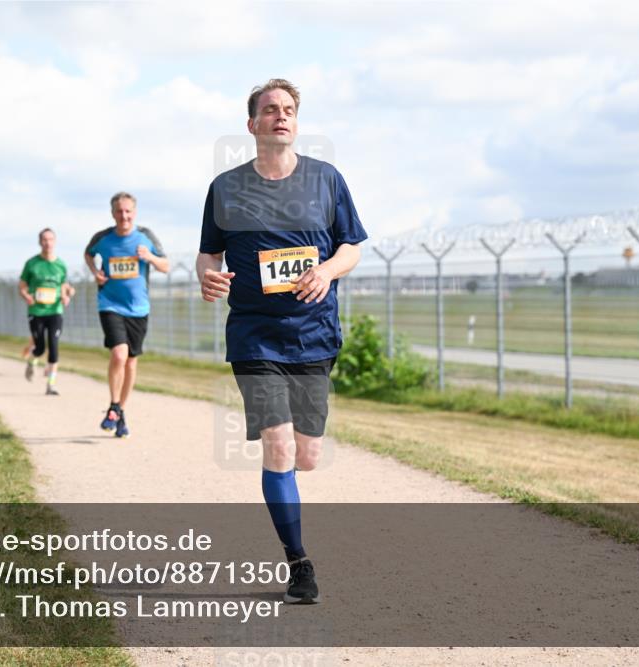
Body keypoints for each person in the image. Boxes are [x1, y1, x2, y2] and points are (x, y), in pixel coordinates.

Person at [196, 79, 367, 604]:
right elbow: (209, 255)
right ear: (252, 125)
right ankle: (300, 565)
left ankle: (289, 496)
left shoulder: (326, 179)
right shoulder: (226, 188)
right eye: (270, 110)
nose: (281, 117)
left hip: (314, 333)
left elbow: (352, 247)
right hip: (253, 335)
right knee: (279, 446)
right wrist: (207, 277)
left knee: (308, 456)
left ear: (297, 121)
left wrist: (327, 272)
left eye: (289, 110)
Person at [84, 192, 169, 438]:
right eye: (119, 211)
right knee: (119, 354)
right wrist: (95, 272)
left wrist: (150, 257)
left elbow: (166, 266)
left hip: (139, 308)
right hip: (109, 303)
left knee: (131, 360)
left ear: (134, 212)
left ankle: (120, 410)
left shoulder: (146, 236)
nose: (124, 216)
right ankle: (113, 404)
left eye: (128, 211)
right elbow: (88, 253)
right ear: (113, 213)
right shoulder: (103, 238)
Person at [19, 228, 75, 395]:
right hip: (36, 311)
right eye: (44, 239)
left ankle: (51, 384)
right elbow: (22, 286)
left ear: (55, 242)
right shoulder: (32, 264)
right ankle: (32, 361)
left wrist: (66, 296)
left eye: (50, 239)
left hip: (55, 310)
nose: (47, 243)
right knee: (40, 348)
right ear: (39, 242)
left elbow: (64, 286)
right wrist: (26, 296)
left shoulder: (61, 265)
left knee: (54, 345)